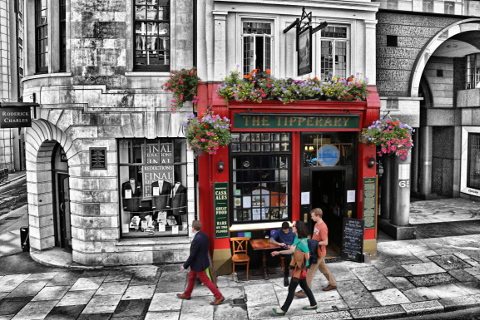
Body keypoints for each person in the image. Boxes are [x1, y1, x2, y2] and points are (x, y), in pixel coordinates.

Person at [271, 220, 317, 316]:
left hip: (299, 269)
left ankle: (283, 309)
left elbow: (307, 256)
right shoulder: (296, 238)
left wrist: (299, 256)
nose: (292, 227)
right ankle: (313, 304)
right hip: (297, 267)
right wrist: (278, 252)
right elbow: (292, 251)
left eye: (294, 226)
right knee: (304, 286)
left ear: (298, 228)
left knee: (291, 289)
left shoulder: (303, 241)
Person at [176, 220, 225, 305]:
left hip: (198, 264)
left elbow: (192, 255)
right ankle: (187, 294)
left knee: (206, 281)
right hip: (200, 262)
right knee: (191, 277)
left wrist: (185, 266)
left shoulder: (196, 240)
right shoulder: (204, 235)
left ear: (193, 228)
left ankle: (219, 296)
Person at [296, 208, 337, 298]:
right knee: (323, 269)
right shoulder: (316, 225)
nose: (311, 217)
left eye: (312, 216)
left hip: (319, 252)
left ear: (318, 216)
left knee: (310, 271)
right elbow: (315, 237)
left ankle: (305, 290)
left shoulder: (323, 227)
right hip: (316, 251)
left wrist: (314, 243)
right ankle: (333, 283)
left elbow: (325, 242)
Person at [269, 221, 296, 287]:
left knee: (290, 256)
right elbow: (271, 239)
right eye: (284, 230)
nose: (285, 231)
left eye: (286, 230)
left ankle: (290, 275)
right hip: (283, 249)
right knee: (287, 257)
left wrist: (292, 246)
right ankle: (286, 275)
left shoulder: (293, 232)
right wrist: (279, 243)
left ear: (289, 229)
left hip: (292, 249)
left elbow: (296, 241)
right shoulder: (279, 231)